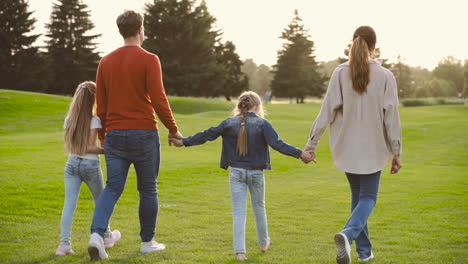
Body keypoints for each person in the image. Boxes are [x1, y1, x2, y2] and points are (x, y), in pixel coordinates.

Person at [170, 91, 313, 261]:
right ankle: (263, 242)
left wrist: (184, 142)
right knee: (259, 207)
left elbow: (207, 135)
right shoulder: (262, 124)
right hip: (256, 173)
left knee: (239, 212)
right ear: (258, 106)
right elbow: (277, 144)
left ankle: (240, 253)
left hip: (236, 172)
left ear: (239, 106)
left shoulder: (228, 123)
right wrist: (301, 154)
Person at [87, 10, 182, 261]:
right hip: (144, 134)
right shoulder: (150, 59)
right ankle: (147, 242)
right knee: (148, 189)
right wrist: (173, 129)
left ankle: (96, 236)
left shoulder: (105, 61)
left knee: (113, 187)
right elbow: (159, 99)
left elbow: (101, 105)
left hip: (115, 135)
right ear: (140, 29)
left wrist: (103, 135)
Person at [303, 26, 402, 264]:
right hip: (374, 147)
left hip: (346, 146)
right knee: (368, 197)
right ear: (374, 45)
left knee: (358, 197)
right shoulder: (386, 76)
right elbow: (392, 118)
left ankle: (364, 253)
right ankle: (347, 235)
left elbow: (325, 111)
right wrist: (397, 152)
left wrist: (311, 144)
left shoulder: (339, 72)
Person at [56, 81, 121, 256]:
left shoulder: (69, 119)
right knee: (101, 202)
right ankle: (107, 236)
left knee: (69, 205)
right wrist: (108, 150)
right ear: (93, 99)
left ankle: (64, 246)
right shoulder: (94, 120)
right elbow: (89, 148)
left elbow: (77, 147)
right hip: (90, 166)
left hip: (71, 164)